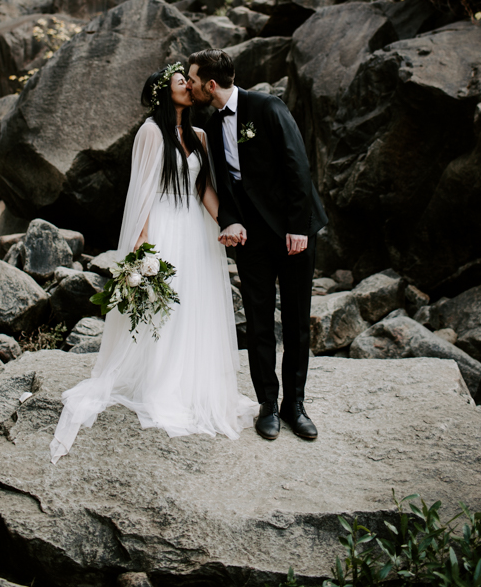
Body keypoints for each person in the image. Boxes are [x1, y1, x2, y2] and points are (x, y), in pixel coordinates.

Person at [50, 62, 256, 462]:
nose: (188, 87)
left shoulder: (198, 135)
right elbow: (141, 189)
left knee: (196, 303)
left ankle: (193, 382)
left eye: (188, 81)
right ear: (166, 92)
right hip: (162, 223)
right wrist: (141, 243)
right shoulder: (150, 132)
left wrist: (228, 223)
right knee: (165, 303)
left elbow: (203, 189)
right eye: (182, 82)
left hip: (194, 228)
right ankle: (160, 383)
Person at [187, 49, 328, 442]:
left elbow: (297, 165)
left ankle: (294, 405)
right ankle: (268, 403)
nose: (191, 85)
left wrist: (298, 227)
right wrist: (230, 218)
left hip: (293, 232)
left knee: (298, 320)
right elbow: (225, 179)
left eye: (193, 79)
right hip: (250, 236)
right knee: (258, 318)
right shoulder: (213, 127)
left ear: (210, 84)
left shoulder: (267, 106)